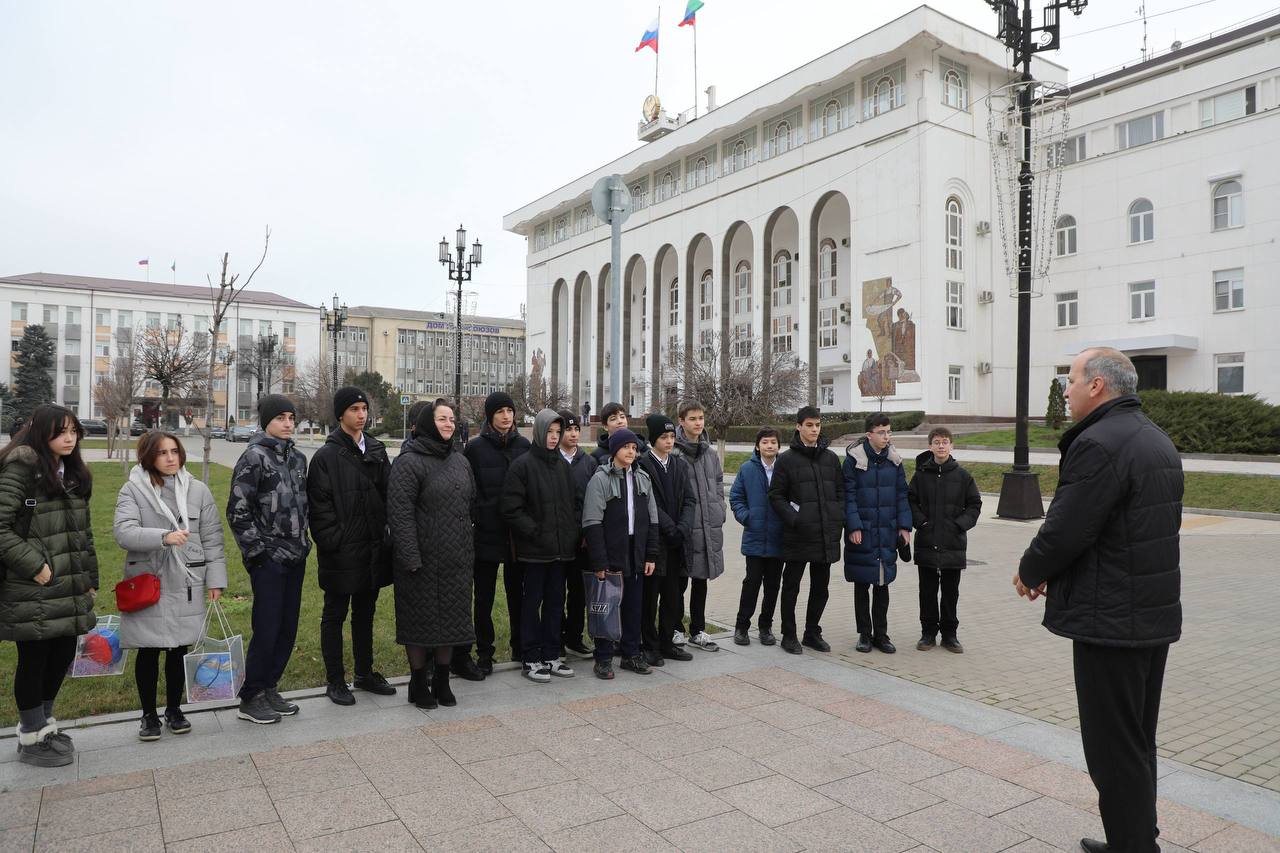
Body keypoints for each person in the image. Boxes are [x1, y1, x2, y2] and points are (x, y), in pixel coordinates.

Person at [1014, 348, 1182, 853]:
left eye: (1070, 380)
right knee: (1136, 738)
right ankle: (1135, 837)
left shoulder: (1099, 443)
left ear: (1098, 386)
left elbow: (1068, 528)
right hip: (1148, 612)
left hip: (1110, 620)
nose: (1065, 390)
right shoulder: (1155, 438)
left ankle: (1134, 846)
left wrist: (1031, 570)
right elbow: (1118, 530)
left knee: (1112, 746)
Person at [0, 405, 98, 767]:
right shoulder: (21, 468)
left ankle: (45, 726)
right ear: (42, 434)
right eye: (61, 432)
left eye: (73, 431)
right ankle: (31, 735)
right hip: (33, 585)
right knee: (35, 659)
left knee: (61, 655)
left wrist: (90, 579)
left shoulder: (72, 472)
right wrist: (34, 566)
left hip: (69, 583)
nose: (69, 439)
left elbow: (84, 534)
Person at [114, 431, 227, 741]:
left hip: (187, 581)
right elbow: (123, 532)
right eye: (162, 452)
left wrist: (216, 580)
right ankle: (148, 715)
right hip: (148, 581)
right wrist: (162, 537)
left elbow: (213, 538)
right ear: (148, 456)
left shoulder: (197, 490)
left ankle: (175, 710)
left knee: (179, 648)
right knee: (148, 650)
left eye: (174, 451)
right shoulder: (133, 489)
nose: (170, 458)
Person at [307, 386, 396, 706]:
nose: (361, 415)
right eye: (355, 409)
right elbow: (319, 508)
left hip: (372, 547)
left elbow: (389, 494)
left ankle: (364, 672)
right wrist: (334, 541)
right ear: (340, 414)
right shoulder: (326, 457)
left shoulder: (376, 449)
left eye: (364, 409)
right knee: (334, 614)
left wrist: (385, 535)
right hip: (341, 552)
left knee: (365, 613)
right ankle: (335, 680)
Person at [388, 400, 477, 709]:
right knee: (420, 623)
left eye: (452, 419)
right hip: (422, 561)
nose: (449, 424)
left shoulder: (459, 461)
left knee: (450, 622)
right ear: (428, 423)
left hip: (455, 559)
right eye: (442, 419)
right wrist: (410, 557)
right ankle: (417, 682)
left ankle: (442, 679)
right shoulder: (408, 462)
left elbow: (471, 504)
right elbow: (400, 515)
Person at [227, 394, 310, 725]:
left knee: (287, 627)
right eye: (280, 418)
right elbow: (237, 511)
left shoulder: (298, 459)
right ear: (266, 422)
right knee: (267, 626)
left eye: (291, 418)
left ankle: (269, 686)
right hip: (269, 560)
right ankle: (251, 695)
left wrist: (304, 544)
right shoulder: (254, 458)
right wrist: (258, 553)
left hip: (296, 556)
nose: (288, 424)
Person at [456, 391, 531, 680]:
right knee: (484, 597)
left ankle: (520, 647)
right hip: (486, 532)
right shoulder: (475, 448)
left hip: (517, 535)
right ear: (490, 416)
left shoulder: (524, 446)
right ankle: (484, 653)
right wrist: (479, 517)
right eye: (500, 411)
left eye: (509, 411)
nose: (506, 416)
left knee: (518, 594)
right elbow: (468, 489)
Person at [501, 409, 578, 683]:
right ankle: (530, 657)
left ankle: (551, 654)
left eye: (558, 432)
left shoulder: (563, 467)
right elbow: (511, 508)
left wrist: (570, 533)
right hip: (533, 553)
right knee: (531, 604)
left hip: (560, 552)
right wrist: (534, 532)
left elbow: (573, 505)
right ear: (539, 432)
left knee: (556, 603)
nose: (554, 437)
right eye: (550, 432)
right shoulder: (522, 466)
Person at [581, 428, 658, 679]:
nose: (631, 452)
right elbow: (592, 522)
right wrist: (599, 561)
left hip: (636, 552)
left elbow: (653, 520)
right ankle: (603, 657)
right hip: (611, 551)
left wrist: (650, 555)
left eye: (634, 448)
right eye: (626, 447)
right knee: (608, 606)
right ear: (615, 450)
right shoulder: (600, 479)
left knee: (634, 608)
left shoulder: (643, 478)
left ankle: (631, 654)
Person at [769, 408, 845, 655]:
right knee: (791, 586)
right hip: (798, 535)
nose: (814, 429)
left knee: (821, 587)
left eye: (817, 425)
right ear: (798, 426)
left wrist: (837, 516)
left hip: (825, 534)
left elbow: (841, 492)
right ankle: (788, 634)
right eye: (809, 425)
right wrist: (795, 519)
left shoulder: (831, 459)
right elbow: (776, 496)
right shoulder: (786, 460)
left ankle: (812, 632)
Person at [908, 427, 981, 653]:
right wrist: (921, 522)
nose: (941, 446)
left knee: (951, 592)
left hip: (953, 543)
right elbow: (910, 501)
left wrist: (959, 525)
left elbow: (974, 505)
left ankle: (950, 635)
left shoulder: (963, 476)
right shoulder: (921, 475)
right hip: (927, 541)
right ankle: (928, 633)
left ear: (951, 445)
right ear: (930, 446)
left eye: (945, 442)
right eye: (937, 442)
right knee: (927, 591)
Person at [843, 413, 911, 655]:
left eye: (889, 431)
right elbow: (848, 496)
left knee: (883, 584)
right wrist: (853, 526)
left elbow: (902, 494)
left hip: (887, 531)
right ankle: (864, 634)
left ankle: (881, 635)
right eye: (881, 432)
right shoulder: (854, 460)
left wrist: (904, 526)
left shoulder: (894, 460)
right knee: (862, 583)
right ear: (869, 434)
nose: (886, 436)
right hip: (864, 531)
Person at [636, 414, 695, 666]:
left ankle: (667, 642)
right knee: (650, 598)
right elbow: (648, 502)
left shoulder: (680, 465)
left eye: (671, 436)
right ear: (653, 439)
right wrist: (670, 528)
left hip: (676, 543)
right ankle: (649, 646)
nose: (669, 441)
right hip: (655, 543)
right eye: (663, 437)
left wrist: (682, 528)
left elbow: (690, 500)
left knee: (673, 596)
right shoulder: (643, 465)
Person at [673, 401, 725, 652]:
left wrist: (719, 509)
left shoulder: (710, 454)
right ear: (681, 421)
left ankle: (698, 629)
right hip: (685, 527)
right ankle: (675, 628)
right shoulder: (674, 453)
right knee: (679, 581)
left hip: (707, 526)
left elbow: (718, 483)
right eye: (692, 418)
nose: (698, 423)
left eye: (701, 418)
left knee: (701, 580)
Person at [731, 428, 785, 647]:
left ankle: (765, 627)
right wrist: (747, 517)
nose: (769, 446)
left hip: (779, 538)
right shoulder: (747, 469)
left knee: (773, 586)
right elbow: (736, 497)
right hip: (754, 537)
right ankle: (741, 627)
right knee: (751, 583)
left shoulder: (785, 469)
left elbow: (796, 498)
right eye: (765, 442)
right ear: (757, 446)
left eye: (773, 442)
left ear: (779, 446)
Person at [556, 409, 596, 657]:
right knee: (556, 592)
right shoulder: (552, 459)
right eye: (567, 429)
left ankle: (574, 636)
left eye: (575, 429)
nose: (572, 434)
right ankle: (556, 637)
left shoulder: (588, 462)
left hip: (582, 540)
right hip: (557, 539)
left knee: (578, 591)